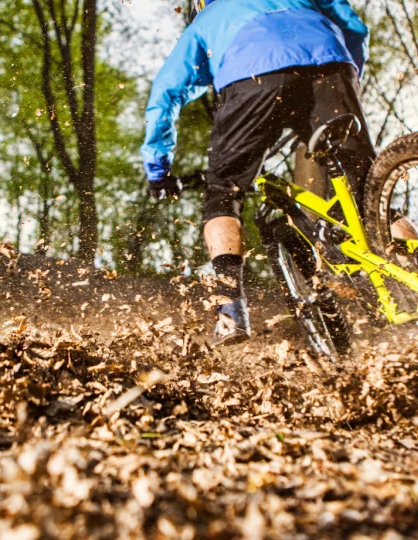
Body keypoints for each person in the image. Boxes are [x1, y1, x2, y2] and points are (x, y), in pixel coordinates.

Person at [141, 0, 377, 346]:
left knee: (224, 193)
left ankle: (230, 313)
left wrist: (157, 169)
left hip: (252, 76)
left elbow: (166, 92)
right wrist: (349, 75)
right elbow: (354, 27)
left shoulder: (206, 19)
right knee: (367, 187)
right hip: (331, 63)